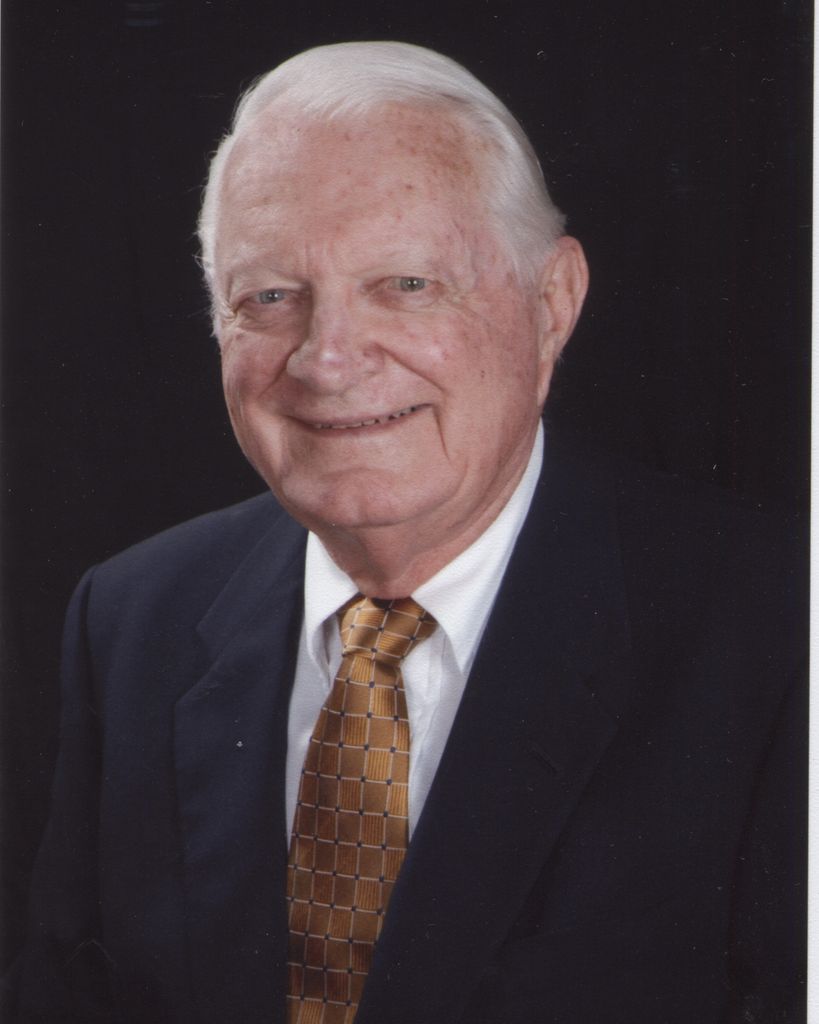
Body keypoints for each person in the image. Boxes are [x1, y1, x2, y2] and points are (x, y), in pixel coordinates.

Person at [13, 41, 805, 1024]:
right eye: (270, 296)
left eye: (406, 284)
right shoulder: (135, 618)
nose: (328, 359)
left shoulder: (777, 627)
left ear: (551, 304)